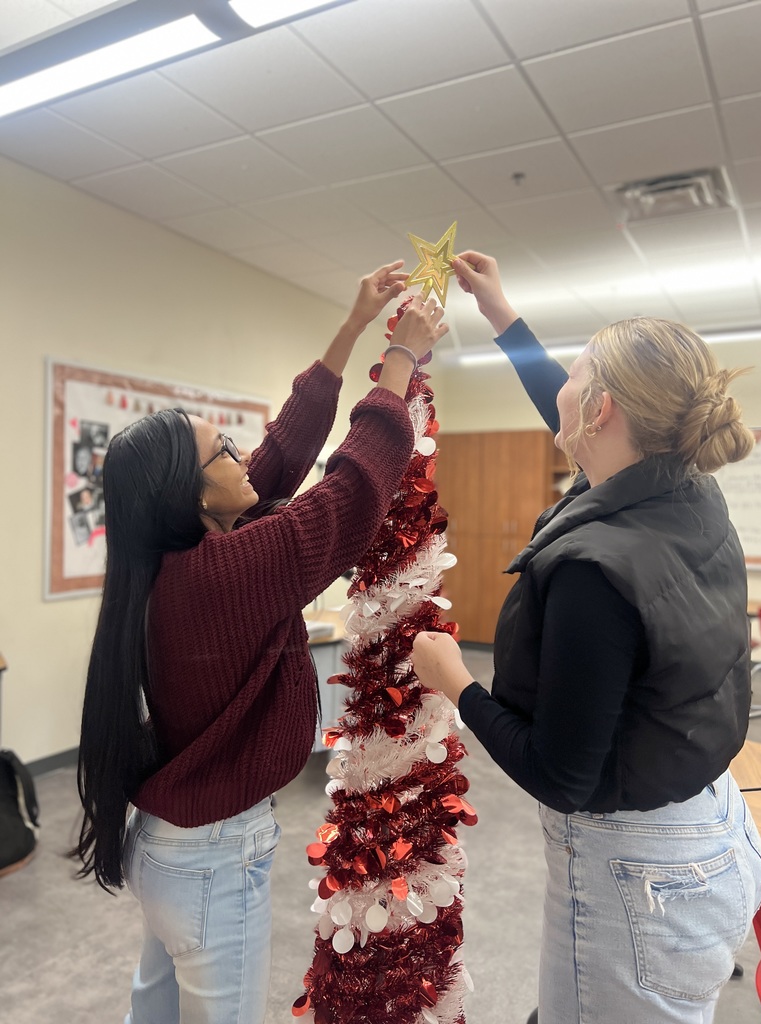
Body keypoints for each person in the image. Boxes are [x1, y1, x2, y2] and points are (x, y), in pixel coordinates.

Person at [71, 261, 449, 1024]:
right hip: (211, 858)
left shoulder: (174, 557)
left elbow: (280, 452)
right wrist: (400, 362)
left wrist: (350, 330)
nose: (244, 456)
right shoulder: (226, 574)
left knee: (158, 1008)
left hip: (170, 841)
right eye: (223, 454)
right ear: (195, 494)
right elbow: (350, 494)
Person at [411, 250, 761, 1024]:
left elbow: (561, 775)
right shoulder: (684, 489)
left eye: (575, 373)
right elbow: (569, 412)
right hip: (709, 824)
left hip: (638, 876)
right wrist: (502, 316)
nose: (561, 387)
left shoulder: (592, 573)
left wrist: (455, 682)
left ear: (601, 410)